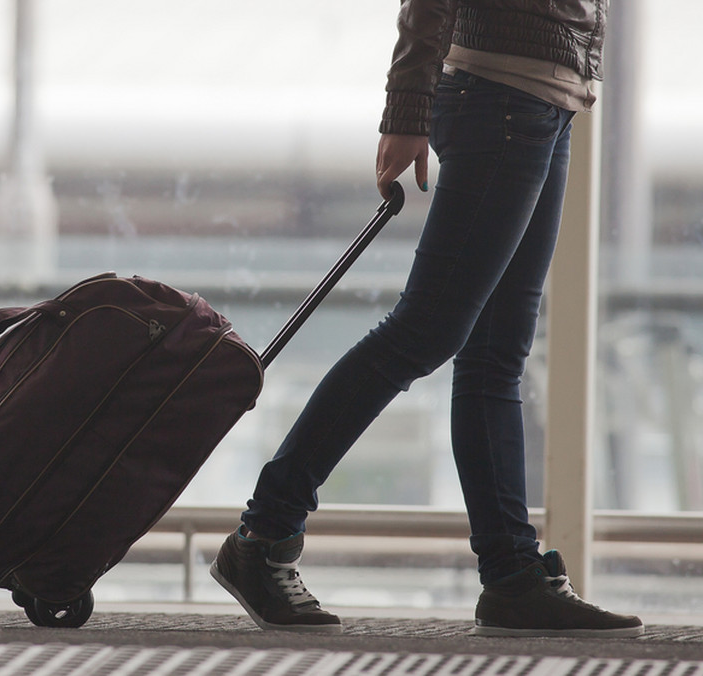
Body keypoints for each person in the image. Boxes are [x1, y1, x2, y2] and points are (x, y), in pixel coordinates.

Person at [211, 0, 644, 638]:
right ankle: (264, 534)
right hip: (500, 94)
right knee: (425, 330)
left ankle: (512, 578)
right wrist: (406, 108)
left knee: (496, 352)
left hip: (545, 100)